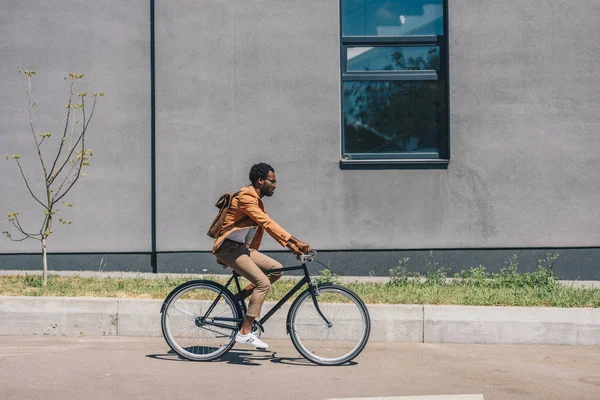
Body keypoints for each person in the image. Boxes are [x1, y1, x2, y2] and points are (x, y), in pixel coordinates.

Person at [212, 162, 311, 349]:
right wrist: (295, 241)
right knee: (263, 283)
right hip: (228, 249)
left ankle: (238, 298)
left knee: (276, 269)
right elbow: (267, 223)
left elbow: (268, 227)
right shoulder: (246, 198)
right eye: (272, 181)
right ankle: (245, 332)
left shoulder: (256, 198)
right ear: (260, 180)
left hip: (241, 248)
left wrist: (291, 246)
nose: (274, 185)